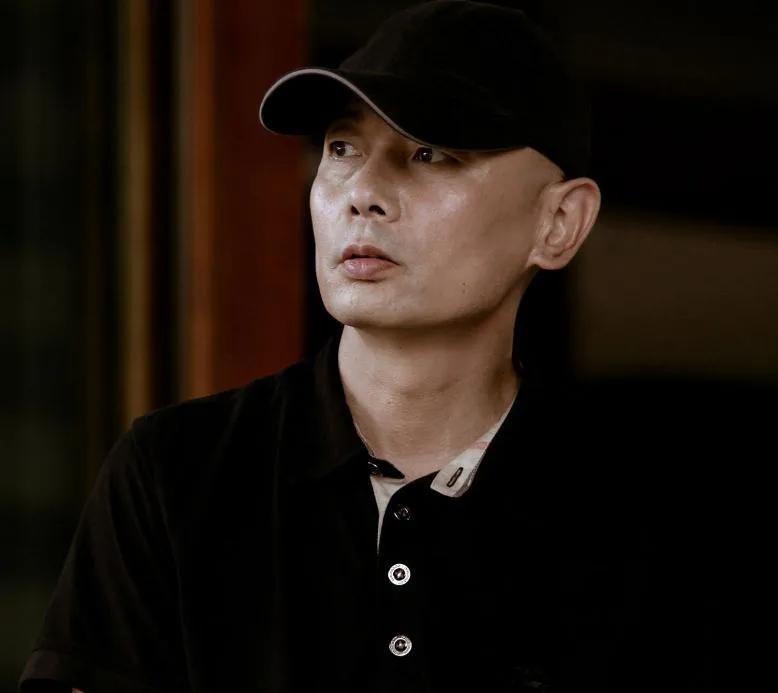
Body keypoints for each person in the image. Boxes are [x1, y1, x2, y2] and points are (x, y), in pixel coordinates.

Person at [20, 2, 726, 691]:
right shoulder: (176, 474)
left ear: (560, 222)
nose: (362, 191)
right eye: (342, 148)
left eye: (429, 152)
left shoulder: (647, 523)